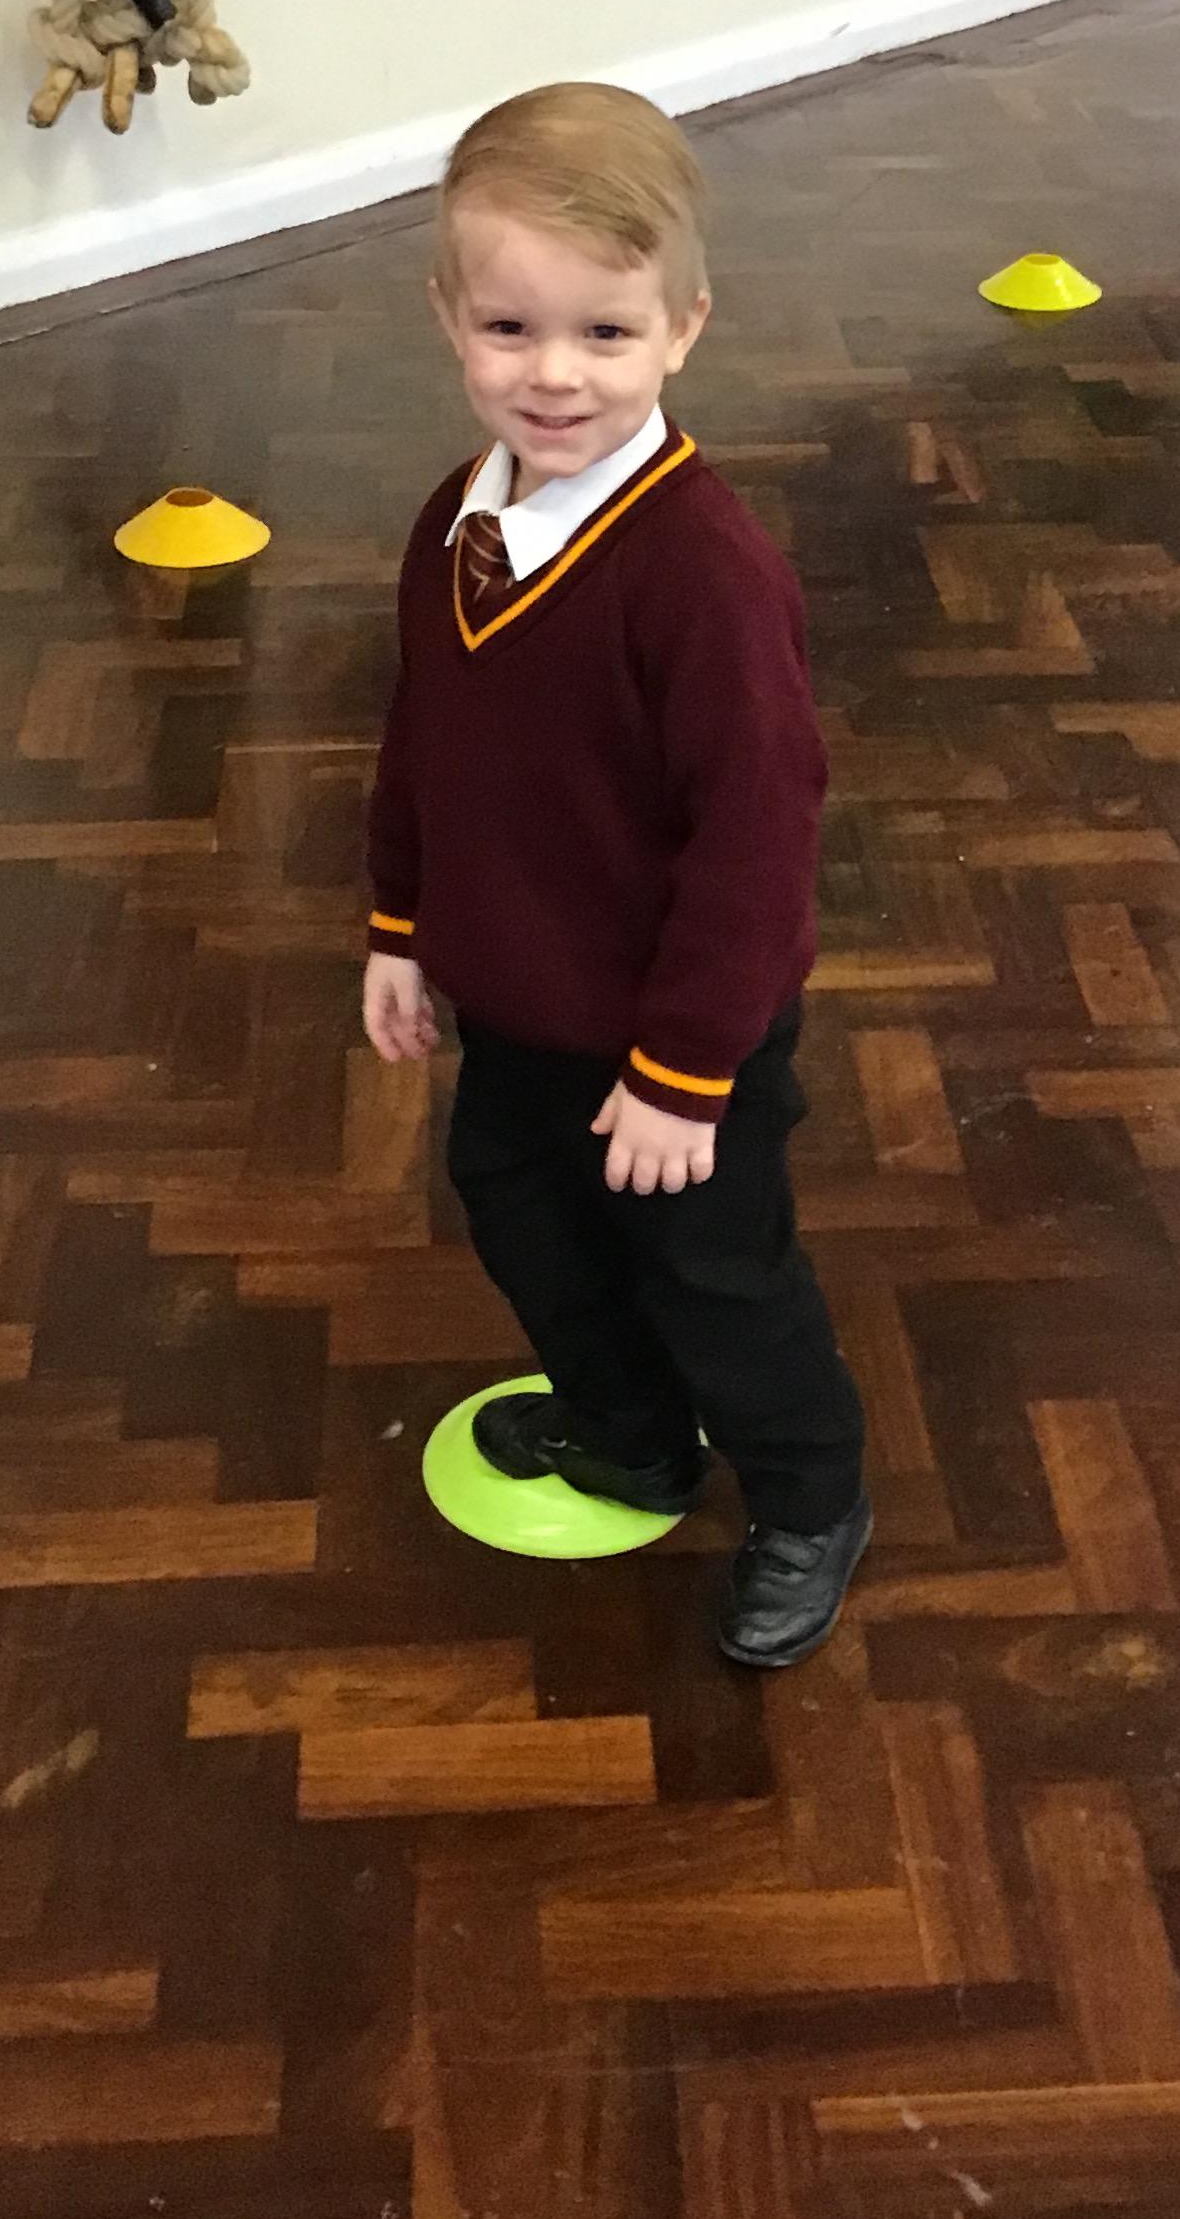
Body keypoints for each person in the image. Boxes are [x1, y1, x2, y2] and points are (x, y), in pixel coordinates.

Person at [362, 82, 871, 1669]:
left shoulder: (704, 573)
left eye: (606, 332)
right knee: (526, 1220)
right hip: (521, 1007)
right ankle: (632, 1433)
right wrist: (399, 928)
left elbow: (759, 839)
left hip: (678, 1039)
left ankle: (811, 1498)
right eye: (510, 328)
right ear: (449, 317)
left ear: (683, 329)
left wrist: (683, 1073)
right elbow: (425, 741)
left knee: (715, 1274)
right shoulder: (455, 521)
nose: (555, 374)